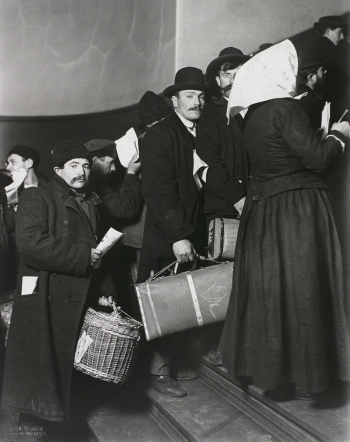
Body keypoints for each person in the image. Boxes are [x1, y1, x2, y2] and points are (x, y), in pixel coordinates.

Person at [218, 40, 350, 400]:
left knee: (276, 296)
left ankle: (277, 375)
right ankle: (316, 378)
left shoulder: (252, 115)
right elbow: (320, 158)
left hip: (266, 212)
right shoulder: (284, 110)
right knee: (306, 291)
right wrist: (341, 133)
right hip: (298, 209)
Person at [1, 140, 118, 431]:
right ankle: (39, 423)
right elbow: (30, 245)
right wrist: (82, 256)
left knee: (67, 362)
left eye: (87, 165)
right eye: (74, 165)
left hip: (79, 291)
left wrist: (106, 291)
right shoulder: (35, 197)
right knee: (43, 362)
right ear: (58, 170)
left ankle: (62, 421)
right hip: (46, 293)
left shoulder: (91, 202)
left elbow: (100, 252)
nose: (82, 172)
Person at [138, 67, 207, 397]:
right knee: (159, 303)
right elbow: (158, 189)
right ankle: (159, 371)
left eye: (201, 96)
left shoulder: (200, 132)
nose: (197, 102)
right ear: (175, 100)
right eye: (190, 96)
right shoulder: (160, 135)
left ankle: (176, 362)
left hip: (190, 230)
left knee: (183, 301)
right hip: (168, 233)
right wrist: (178, 234)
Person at [196, 47, 250, 234]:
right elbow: (209, 163)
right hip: (226, 208)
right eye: (227, 75)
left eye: (239, 74)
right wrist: (238, 199)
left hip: (255, 204)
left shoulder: (257, 110)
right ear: (218, 80)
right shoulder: (210, 115)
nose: (233, 81)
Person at [0, 145, 46, 290]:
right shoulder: (7, 192)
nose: (8, 167)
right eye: (7, 163)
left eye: (13, 162)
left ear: (29, 163)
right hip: (17, 262)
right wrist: (12, 194)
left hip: (44, 259)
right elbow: (10, 225)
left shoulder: (49, 189)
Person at [295, 59, 328, 130]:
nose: (325, 71)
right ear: (312, 77)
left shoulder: (294, 96)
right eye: (322, 70)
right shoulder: (314, 102)